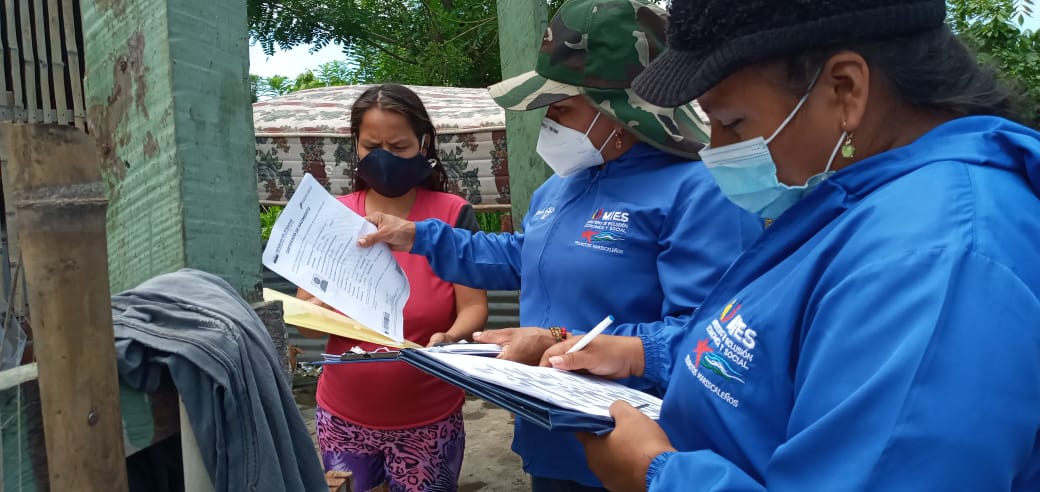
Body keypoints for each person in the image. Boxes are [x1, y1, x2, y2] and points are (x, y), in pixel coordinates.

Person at [539, 0, 1040, 490]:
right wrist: (645, 353)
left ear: (845, 89)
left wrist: (657, 476)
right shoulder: (858, 201)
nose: (715, 149)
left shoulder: (937, 264)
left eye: (733, 122)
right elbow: (776, 344)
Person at [357, 1, 763, 490]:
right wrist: (418, 236)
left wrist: (556, 340)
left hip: (638, 452)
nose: (548, 120)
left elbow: (710, 340)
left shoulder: (700, 194)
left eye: (562, 107)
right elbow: (521, 256)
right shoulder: (562, 186)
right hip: (551, 436)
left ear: (621, 111)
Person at [296, 84, 488, 492]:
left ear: (423, 144)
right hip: (342, 418)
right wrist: (319, 308)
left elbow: (473, 308)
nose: (384, 157)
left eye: (398, 146)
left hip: (430, 418)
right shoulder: (333, 217)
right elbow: (306, 325)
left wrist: (450, 338)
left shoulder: (452, 215)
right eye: (371, 146)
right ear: (355, 145)